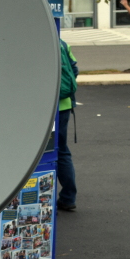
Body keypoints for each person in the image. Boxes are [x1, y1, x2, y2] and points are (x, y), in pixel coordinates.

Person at [57, 39, 78, 211]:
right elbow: (74, 69)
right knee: (62, 150)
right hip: (64, 105)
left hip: (44, 109)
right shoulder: (63, 44)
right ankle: (68, 197)